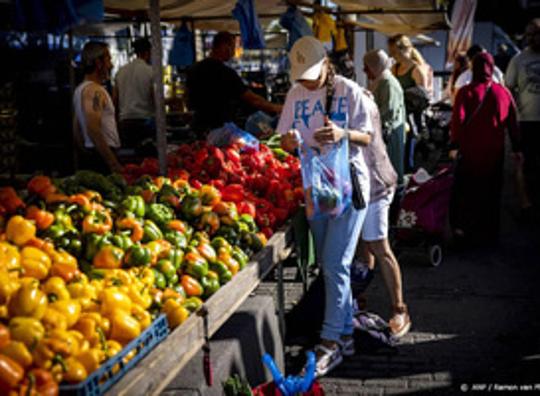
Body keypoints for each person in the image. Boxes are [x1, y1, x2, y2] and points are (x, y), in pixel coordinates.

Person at [278, 37, 372, 377]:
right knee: (333, 267)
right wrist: (288, 141)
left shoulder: (349, 90)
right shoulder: (294, 94)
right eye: (300, 76)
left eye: (310, 74)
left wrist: (343, 133)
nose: (305, 81)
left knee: (334, 264)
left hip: (349, 188)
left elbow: (369, 137)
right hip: (315, 191)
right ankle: (345, 334)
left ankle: (330, 342)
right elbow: (284, 136)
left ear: (326, 66)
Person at [352, 81, 411, 338]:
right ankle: (359, 301)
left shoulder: (360, 102)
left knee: (378, 244)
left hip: (375, 183)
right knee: (360, 248)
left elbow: (362, 139)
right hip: (356, 186)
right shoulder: (352, 99)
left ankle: (400, 309)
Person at [449, 53, 522, 245]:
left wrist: (454, 144)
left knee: (468, 192)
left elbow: (457, 121)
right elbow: (513, 122)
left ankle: (466, 232)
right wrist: (516, 147)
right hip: (494, 153)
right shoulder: (503, 92)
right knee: (491, 192)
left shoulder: (465, 92)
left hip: (470, 153)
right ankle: (489, 234)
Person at [186, 31, 281, 134]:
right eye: (233, 47)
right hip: (219, 128)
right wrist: (276, 107)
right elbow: (253, 99)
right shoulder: (225, 73)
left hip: (198, 125)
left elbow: (188, 99)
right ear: (224, 46)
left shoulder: (194, 69)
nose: (233, 52)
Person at [505, 19, 540, 213]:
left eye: (536, 34)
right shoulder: (518, 60)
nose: (533, 38)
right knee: (525, 164)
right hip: (526, 122)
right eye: (529, 35)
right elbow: (508, 90)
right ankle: (526, 203)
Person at [73, 41, 122, 174]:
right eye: (108, 59)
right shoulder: (94, 91)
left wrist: (87, 152)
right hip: (102, 157)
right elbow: (93, 128)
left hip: (94, 155)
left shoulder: (81, 89)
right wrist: (113, 163)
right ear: (98, 63)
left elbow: (77, 129)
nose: (111, 65)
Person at [387, 34, 431, 173]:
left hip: (410, 121)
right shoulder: (393, 69)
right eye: (391, 52)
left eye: (394, 52)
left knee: (408, 158)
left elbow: (423, 100)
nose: (392, 55)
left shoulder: (416, 70)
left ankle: (408, 185)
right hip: (396, 118)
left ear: (404, 50)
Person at [363, 49, 406, 186]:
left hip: (391, 134)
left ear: (376, 66)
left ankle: (396, 203)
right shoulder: (379, 82)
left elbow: (389, 111)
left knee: (392, 171)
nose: (364, 70)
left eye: (367, 67)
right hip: (383, 132)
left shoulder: (388, 83)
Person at [113, 38, 154, 152]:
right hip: (144, 122)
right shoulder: (150, 71)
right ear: (148, 52)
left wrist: (116, 122)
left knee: (129, 157)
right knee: (146, 157)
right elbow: (154, 97)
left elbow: (115, 100)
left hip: (125, 123)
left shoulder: (120, 71)